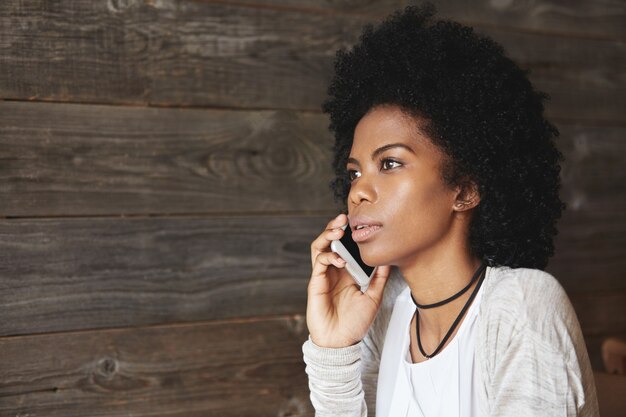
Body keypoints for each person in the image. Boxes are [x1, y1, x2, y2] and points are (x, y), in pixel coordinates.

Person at [302, 3, 599, 417]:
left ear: (465, 189)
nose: (358, 193)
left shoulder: (523, 306)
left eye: (389, 163)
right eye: (353, 173)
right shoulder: (383, 311)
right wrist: (333, 347)